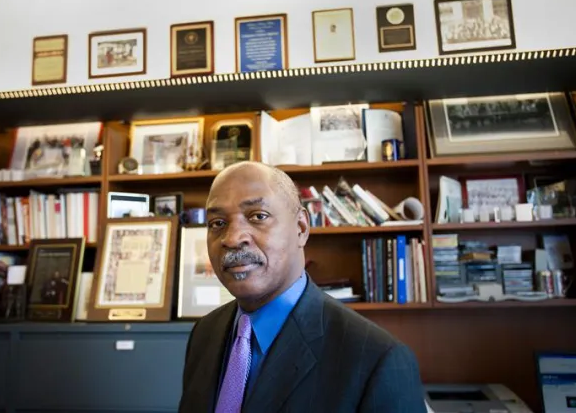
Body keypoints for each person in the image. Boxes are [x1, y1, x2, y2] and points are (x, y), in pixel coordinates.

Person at [178, 161, 427, 413]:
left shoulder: (378, 359)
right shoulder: (204, 333)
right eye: (217, 223)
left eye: (258, 216)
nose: (232, 238)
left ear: (301, 228)